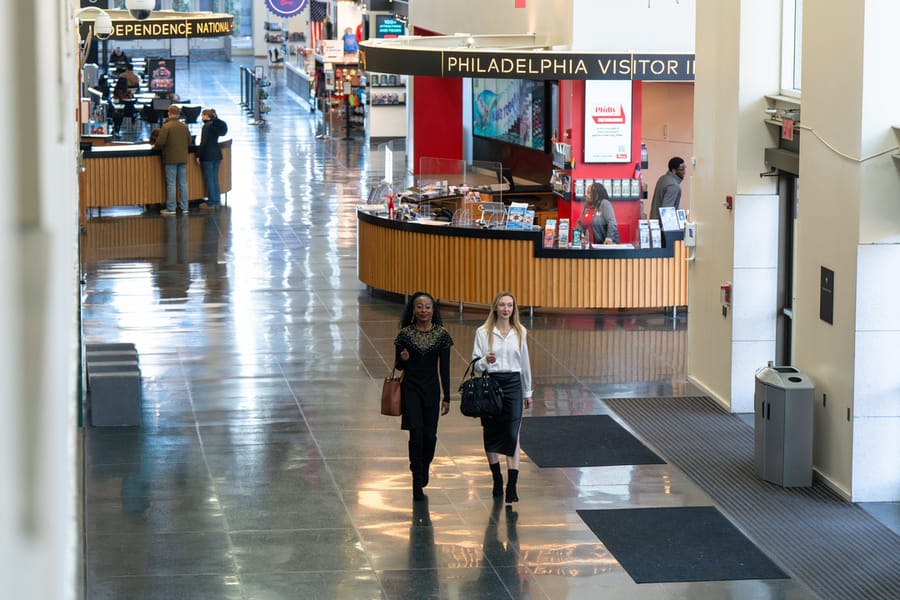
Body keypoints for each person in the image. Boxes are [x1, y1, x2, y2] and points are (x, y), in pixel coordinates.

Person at [472, 291, 532, 503]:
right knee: (491, 432)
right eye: (502, 305)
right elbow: (475, 363)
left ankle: (512, 486)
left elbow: (524, 363)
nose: (506, 309)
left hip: (514, 383)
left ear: (513, 309)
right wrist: (485, 361)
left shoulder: (520, 331)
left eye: (510, 305)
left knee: (512, 432)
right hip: (492, 384)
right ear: (495, 307)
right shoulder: (483, 332)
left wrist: (528, 390)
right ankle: (497, 478)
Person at [394, 292, 453, 501]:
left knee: (430, 436)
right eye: (419, 307)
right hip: (410, 389)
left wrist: (447, 397)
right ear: (413, 310)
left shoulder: (442, 335)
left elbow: (444, 369)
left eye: (427, 307)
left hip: (431, 390)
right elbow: (398, 366)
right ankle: (416, 478)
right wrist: (403, 359)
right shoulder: (404, 335)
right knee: (416, 435)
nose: (424, 311)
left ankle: (425, 465)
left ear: (433, 310)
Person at [153, 104, 192, 216]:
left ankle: (171, 208)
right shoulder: (184, 126)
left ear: (169, 113)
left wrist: (155, 147)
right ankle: (185, 207)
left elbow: (160, 143)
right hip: (183, 158)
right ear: (178, 114)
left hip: (170, 158)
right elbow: (189, 141)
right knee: (183, 183)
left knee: (171, 184)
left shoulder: (166, 127)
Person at [196, 108, 228, 209]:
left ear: (206, 116)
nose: (201, 117)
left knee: (210, 179)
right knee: (215, 179)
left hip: (207, 155)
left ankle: (211, 202)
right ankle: (217, 201)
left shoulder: (206, 126)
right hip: (217, 154)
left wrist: (198, 155)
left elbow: (204, 142)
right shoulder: (215, 125)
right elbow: (222, 129)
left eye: (202, 115)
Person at [649, 156, 686, 221]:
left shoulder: (662, 178)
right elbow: (667, 211)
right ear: (674, 170)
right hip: (663, 226)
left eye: (684, 168)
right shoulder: (673, 186)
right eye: (681, 169)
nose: (684, 172)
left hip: (655, 223)